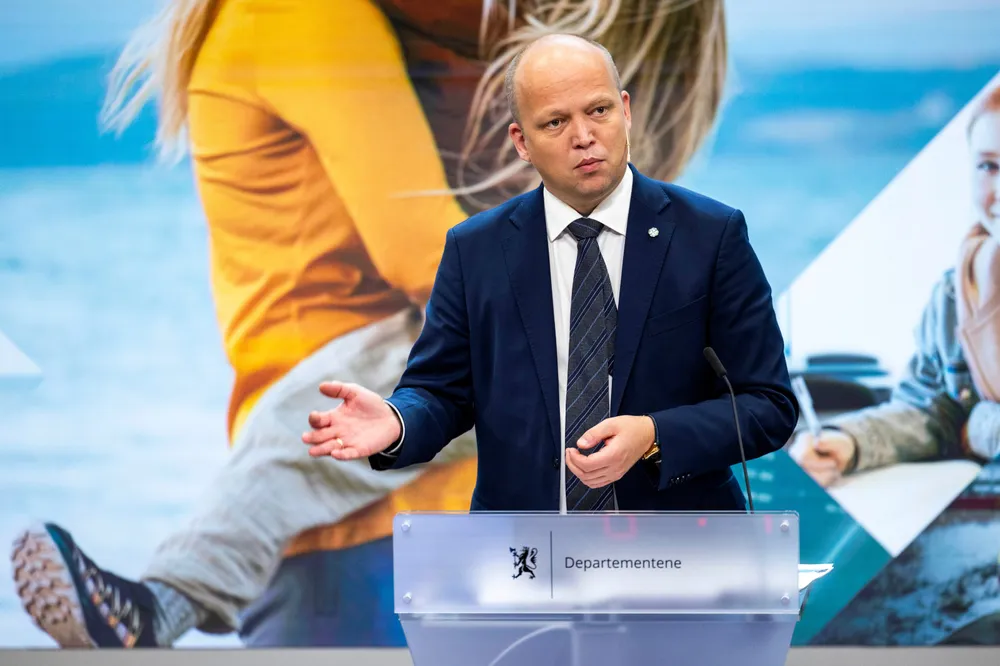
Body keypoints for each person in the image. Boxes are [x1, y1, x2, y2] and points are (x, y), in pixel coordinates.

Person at [10, 0, 730, 649]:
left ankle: (168, 598)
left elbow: (443, 262)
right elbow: (427, 256)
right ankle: (169, 597)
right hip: (406, 519)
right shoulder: (304, 18)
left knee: (350, 394)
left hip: (389, 523)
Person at [303, 34, 799, 515]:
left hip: (680, 544)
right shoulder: (476, 249)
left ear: (625, 110)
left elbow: (767, 404)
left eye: (599, 110)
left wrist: (653, 435)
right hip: (524, 553)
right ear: (521, 141)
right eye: (556, 122)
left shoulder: (710, 235)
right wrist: (397, 421)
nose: (584, 137)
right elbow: (440, 391)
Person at [789, 84, 1000, 488]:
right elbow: (931, 411)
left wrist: (980, 427)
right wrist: (848, 442)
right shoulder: (956, 293)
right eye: (988, 166)